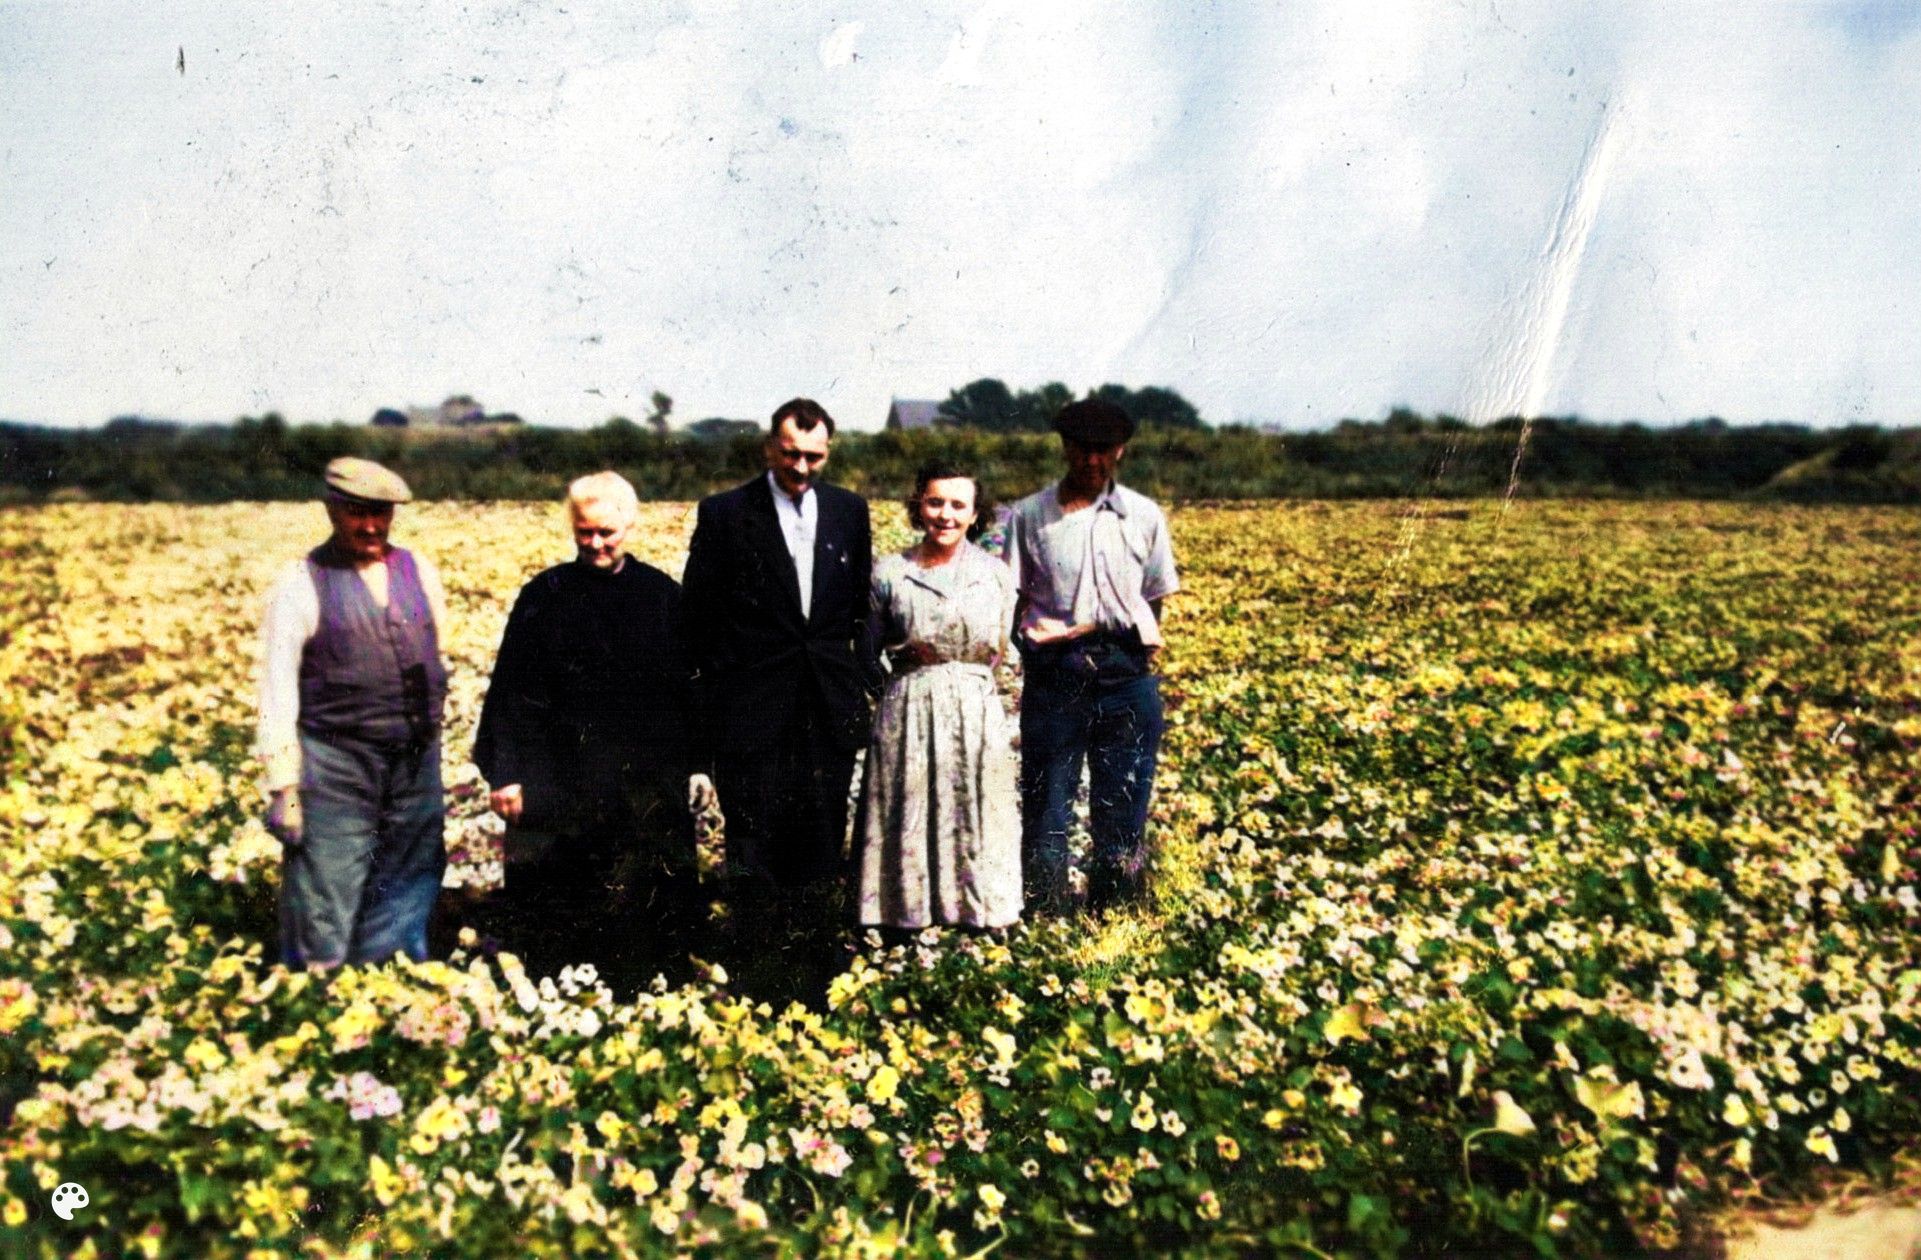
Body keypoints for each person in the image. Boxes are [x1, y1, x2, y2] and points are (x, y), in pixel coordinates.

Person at [471, 472, 713, 987]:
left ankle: (647, 988)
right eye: (586, 533)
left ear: (629, 524)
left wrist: (698, 765)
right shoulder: (545, 596)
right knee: (563, 899)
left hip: (643, 778)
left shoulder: (661, 596)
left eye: (607, 532)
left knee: (646, 898)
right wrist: (507, 772)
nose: (597, 544)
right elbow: (512, 690)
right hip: (565, 772)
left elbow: (690, 691)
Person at [680, 399, 879, 985]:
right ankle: (757, 970)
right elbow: (699, 620)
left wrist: (860, 684)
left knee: (819, 840)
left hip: (825, 707)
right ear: (770, 447)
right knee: (754, 841)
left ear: (829, 453)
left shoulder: (849, 511)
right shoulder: (725, 514)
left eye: (814, 457)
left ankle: (815, 965)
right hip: (753, 710)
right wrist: (718, 703)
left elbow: (857, 609)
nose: (801, 468)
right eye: (791, 454)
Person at [256, 457, 449, 968]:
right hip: (336, 764)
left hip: (414, 760)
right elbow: (276, 690)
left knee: (410, 875)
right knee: (326, 884)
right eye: (356, 513)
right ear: (331, 510)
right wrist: (283, 789)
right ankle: (315, 1003)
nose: (370, 526)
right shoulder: (301, 583)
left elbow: (433, 654)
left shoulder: (419, 571)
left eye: (380, 514)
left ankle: (390, 991)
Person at [1004, 399, 1180, 915]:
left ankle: (1116, 912)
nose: (1092, 461)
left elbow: (1154, 596)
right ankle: (1046, 918)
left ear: (1120, 450)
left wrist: (1128, 654)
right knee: (1047, 807)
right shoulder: (1028, 516)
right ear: (1066, 448)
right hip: (1057, 677)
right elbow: (1010, 597)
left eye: (1104, 450)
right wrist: (1041, 656)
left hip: (1126, 676)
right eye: (1082, 449)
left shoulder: (1145, 515)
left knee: (1123, 805)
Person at [854, 463, 1022, 931]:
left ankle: (977, 914)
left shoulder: (996, 575)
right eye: (935, 503)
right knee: (907, 807)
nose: (945, 515)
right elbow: (867, 650)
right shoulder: (890, 573)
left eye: (957, 505)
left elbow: (1001, 644)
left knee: (976, 803)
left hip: (974, 705)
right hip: (908, 703)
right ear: (918, 506)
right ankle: (903, 916)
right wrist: (896, 695)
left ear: (974, 514)